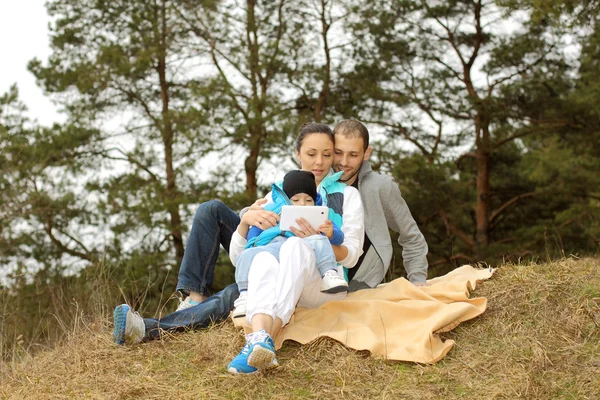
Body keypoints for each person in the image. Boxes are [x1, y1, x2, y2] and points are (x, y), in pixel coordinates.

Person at [225, 125, 365, 374]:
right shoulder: (275, 195)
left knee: (295, 245)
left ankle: (262, 335)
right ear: (297, 153)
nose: (319, 162)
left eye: (327, 154)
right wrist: (245, 223)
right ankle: (261, 342)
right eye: (311, 153)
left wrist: (319, 240)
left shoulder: (348, 195)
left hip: (322, 286)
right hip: (282, 280)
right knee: (265, 259)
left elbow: (352, 256)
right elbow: (240, 259)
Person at [233, 169, 348, 320]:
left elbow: (339, 238)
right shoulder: (271, 212)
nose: (303, 204)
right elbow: (254, 233)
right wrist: (252, 245)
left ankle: (329, 273)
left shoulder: (318, 215)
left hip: (303, 253)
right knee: (245, 255)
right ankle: (245, 296)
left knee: (318, 239)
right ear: (286, 199)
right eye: (296, 200)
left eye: (308, 200)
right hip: (273, 247)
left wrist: (331, 233)